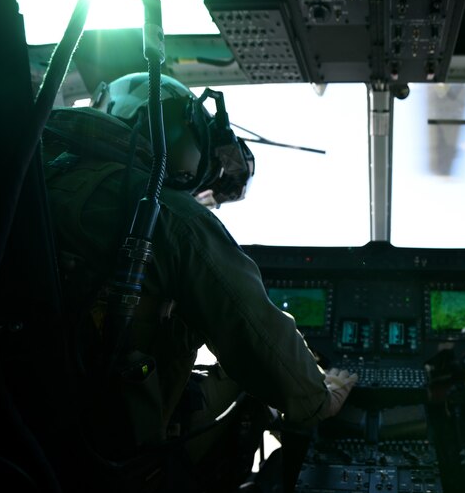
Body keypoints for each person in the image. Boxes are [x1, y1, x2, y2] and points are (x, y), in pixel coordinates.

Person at [42, 72, 358, 456]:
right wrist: (321, 398)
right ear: (178, 131)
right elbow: (254, 331)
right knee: (253, 382)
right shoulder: (167, 214)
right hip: (106, 448)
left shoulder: (34, 174)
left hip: (22, 431)